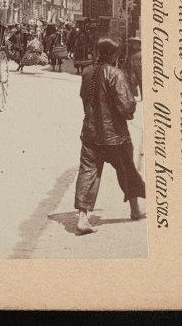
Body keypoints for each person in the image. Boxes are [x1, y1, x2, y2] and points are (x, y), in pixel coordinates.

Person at [74, 37, 145, 234]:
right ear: (114, 54)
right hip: (116, 136)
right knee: (127, 170)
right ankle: (135, 209)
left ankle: (82, 217)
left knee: (88, 172)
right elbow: (126, 107)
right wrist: (131, 109)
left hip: (90, 134)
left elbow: (84, 99)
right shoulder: (116, 74)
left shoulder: (88, 72)